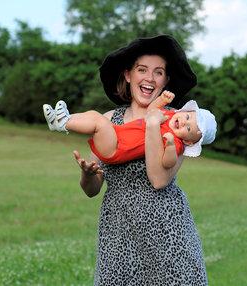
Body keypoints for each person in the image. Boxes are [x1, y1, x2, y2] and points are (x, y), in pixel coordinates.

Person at [67, 35, 211, 285]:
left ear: (166, 81)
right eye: (141, 70)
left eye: (158, 72)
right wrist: (88, 175)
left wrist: (153, 121)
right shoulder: (109, 120)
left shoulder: (175, 122)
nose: (149, 78)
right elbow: (92, 190)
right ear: (128, 75)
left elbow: (159, 180)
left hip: (166, 230)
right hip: (118, 230)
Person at [43, 90, 216, 168]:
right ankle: (61, 120)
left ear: (188, 140)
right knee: (95, 116)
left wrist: (170, 146)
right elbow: (151, 112)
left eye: (188, 128)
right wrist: (162, 100)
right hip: (116, 135)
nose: (183, 122)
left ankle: (64, 123)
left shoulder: (177, 142)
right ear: (184, 111)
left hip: (118, 148)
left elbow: (167, 163)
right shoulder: (169, 115)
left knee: (99, 123)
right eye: (187, 117)